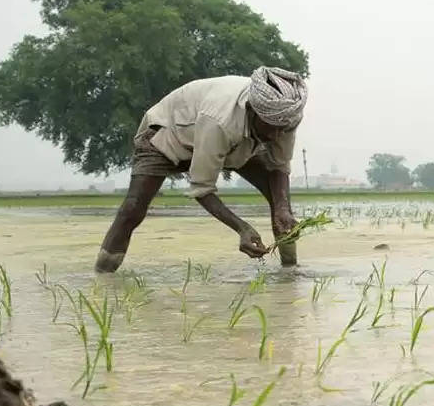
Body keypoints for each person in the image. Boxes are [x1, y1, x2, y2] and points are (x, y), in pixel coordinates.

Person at [94, 66, 308, 273]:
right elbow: (201, 188)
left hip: (239, 140)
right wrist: (241, 228)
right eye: (272, 129)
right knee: (133, 209)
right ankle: (102, 275)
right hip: (169, 133)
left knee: (281, 207)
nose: (277, 137)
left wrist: (282, 207)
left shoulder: (283, 117)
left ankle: (290, 272)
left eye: (283, 130)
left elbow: (279, 166)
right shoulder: (219, 121)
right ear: (252, 111)